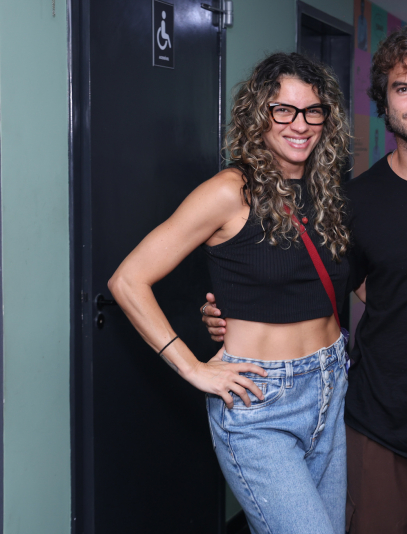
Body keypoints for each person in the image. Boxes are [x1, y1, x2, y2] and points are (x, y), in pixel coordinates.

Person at [203, 24, 407, 534]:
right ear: (384, 99)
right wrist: (230, 312)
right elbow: (327, 283)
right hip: (376, 422)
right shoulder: (353, 200)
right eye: (403, 88)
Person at [108, 53, 352, 534]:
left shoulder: (325, 189)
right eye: (283, 110)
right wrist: (192, 367)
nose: (299, 124)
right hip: (262, 400)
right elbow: (127, 279)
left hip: (330, 383)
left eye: (312, 111)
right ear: (258, 115)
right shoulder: (229, 191)